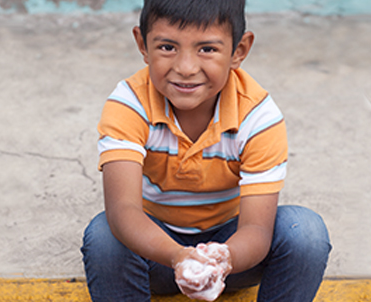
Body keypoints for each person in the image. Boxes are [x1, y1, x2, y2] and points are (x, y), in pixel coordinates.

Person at [81, 0, 332, 301]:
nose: (186, 68)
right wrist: (178, 256)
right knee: (105, 235)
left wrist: (224, 258)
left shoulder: (258, 118)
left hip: (233, 253)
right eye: (167, 47)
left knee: (306, 232)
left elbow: (255, 229)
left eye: (208, 49)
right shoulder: (129, 105)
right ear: (142, 45)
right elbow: (124, 211)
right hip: (155, 252)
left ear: (239, 51)